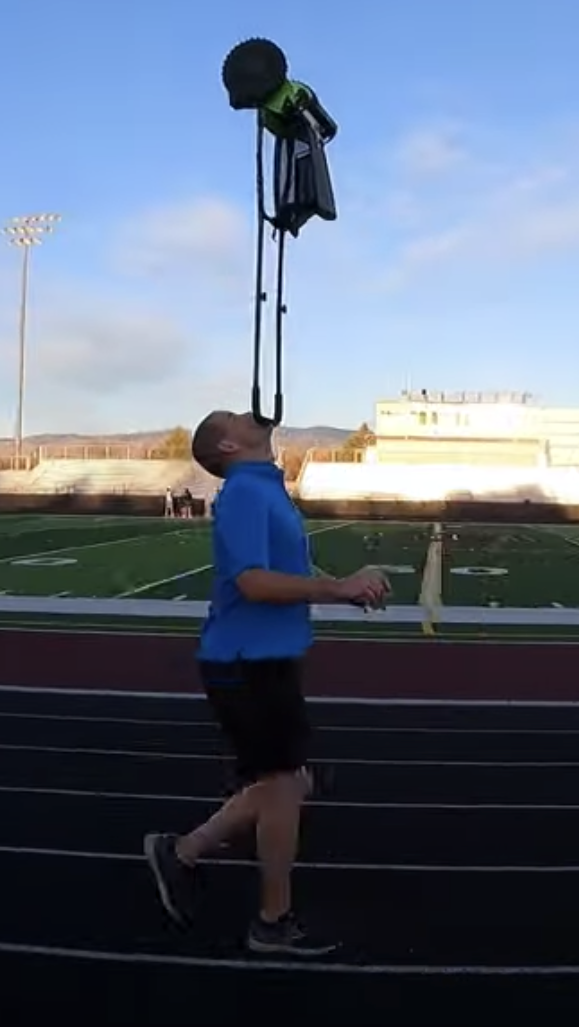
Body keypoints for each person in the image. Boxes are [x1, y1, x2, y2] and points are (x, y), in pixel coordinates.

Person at [143, 408, 389, 955]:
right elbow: (252, 582)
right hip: (245, 661)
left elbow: (284, 570)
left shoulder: (263, 488)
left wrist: (343, 587)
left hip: (265, 658)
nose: (247, 412)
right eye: (233, 416)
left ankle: (181, 852)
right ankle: (271, 922)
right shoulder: (245, 494)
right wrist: (337, 589)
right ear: (229, 446)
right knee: (283, 787)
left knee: (289, 783)